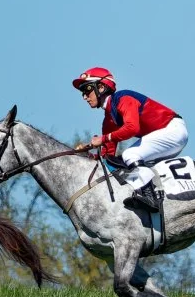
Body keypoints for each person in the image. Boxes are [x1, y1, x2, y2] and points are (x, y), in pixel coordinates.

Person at [73, 67, 187, 211]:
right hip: (165, 136)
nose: (84, 96)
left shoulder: (123, 98)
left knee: (130, 155)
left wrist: (103, 139)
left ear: (101, 87)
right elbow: (107, 155)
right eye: (82, 92)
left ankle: (150, 197)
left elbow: (131, 128)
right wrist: (90, 156)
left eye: (87, 90)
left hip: (173, 130)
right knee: (120, 160)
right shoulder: (108, 120)